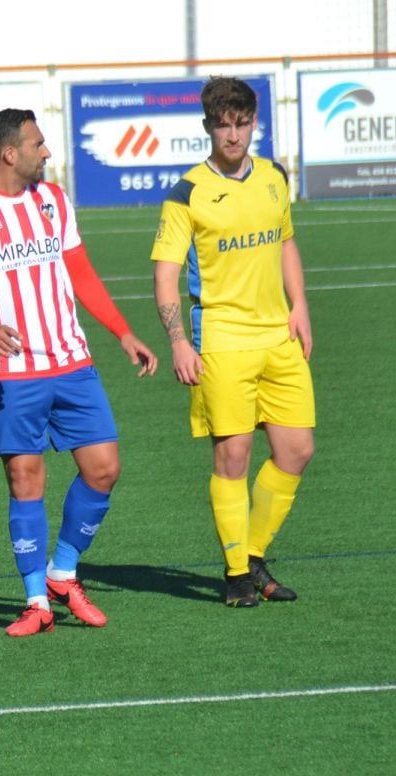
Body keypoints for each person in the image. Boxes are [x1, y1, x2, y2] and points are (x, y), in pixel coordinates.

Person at [0, 108, 158, 637]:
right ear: (8, 153)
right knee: (26, 480)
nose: (47, 152)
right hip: (10, 370)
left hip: (71, 359)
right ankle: (36, 600)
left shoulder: (54, 201)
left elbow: (79, 271)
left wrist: (121, 331)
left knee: (104, 468)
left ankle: (64, 571)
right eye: (38, 144)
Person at [151, 76, 314, 608]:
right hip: (220, 342)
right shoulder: (187, 194)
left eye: (242, 124)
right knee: (233, 459)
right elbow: (166, 274)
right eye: (223, 125)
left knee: (296, 450)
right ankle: (236, 573)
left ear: (252, 124)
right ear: (207, 127)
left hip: (279, 338)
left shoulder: (273, 176)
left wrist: (300, 305)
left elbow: (285, 241)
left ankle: (256, 555)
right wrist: (179, 341)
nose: (234, 135)